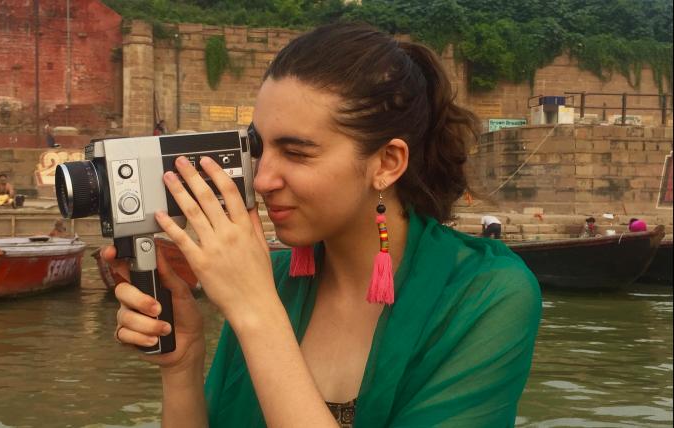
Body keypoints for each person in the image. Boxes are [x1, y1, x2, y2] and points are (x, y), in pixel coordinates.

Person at [104, 23, 541, 427]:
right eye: (259, 147)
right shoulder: (272, 281)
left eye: (296, 153)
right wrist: (183, 367)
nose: (260, 180)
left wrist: (256, 312)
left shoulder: (486, 294)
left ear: (387, 163)